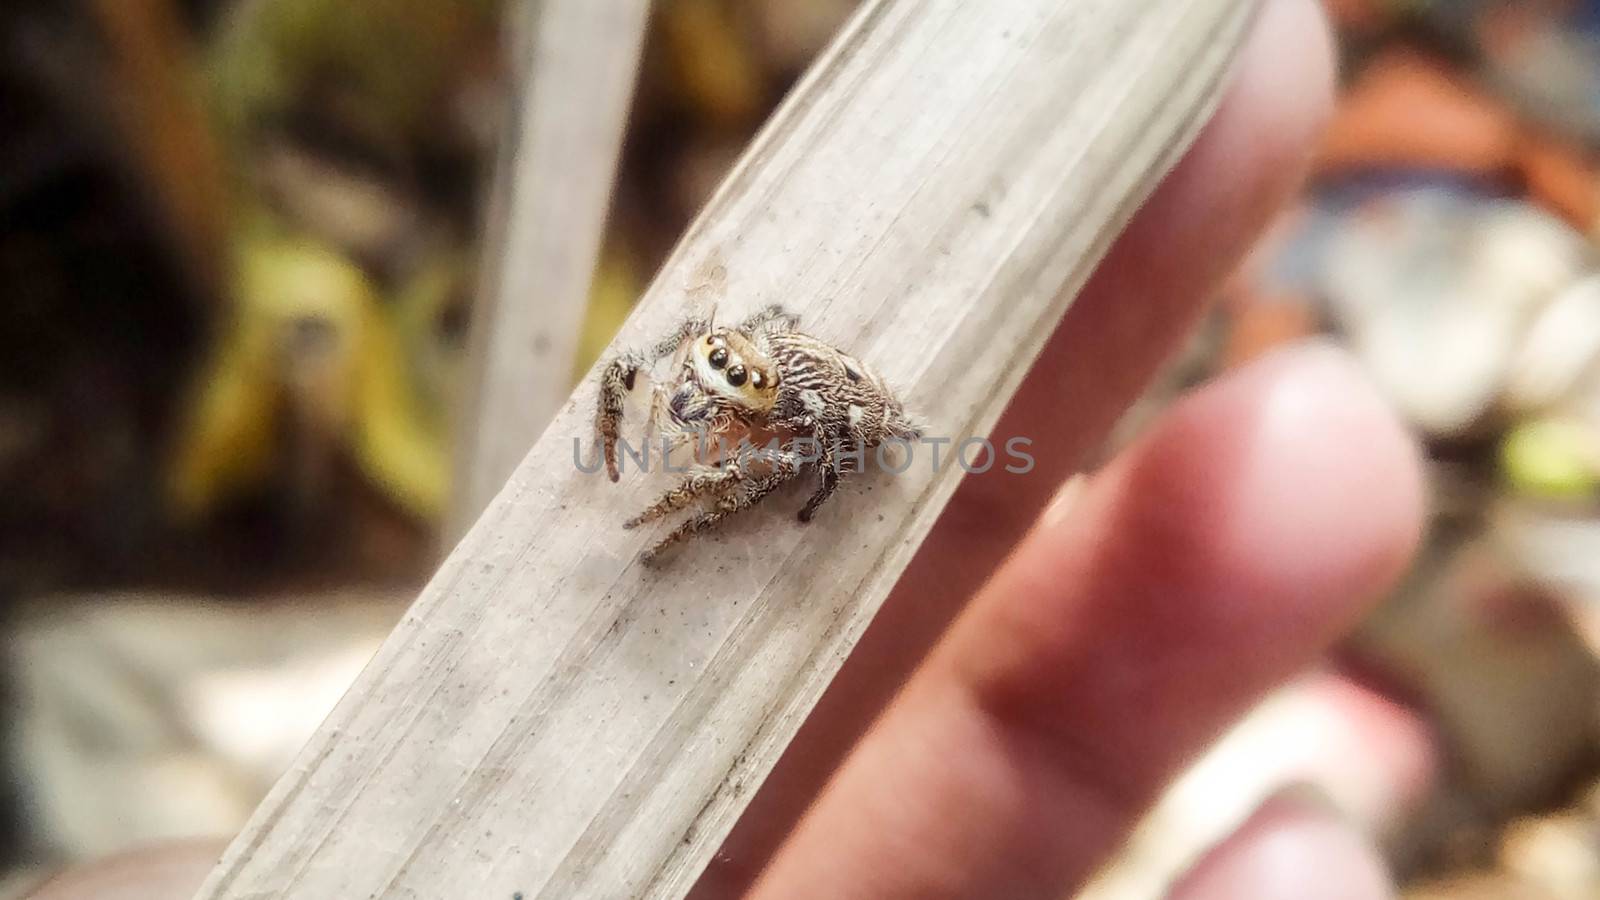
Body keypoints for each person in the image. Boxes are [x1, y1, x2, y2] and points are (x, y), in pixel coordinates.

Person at [27, 0, 1424, 897]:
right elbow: (712, 381)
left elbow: (811, 451)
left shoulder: (807, 425)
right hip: (771, 395)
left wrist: (774, 475)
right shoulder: (726, 378)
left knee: (746, 492)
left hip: (816, 421)